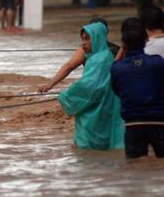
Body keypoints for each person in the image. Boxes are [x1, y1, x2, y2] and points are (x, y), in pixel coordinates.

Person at [56, 22, 124, 150]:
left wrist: (66, 95)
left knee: (87, 150)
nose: (83, 43)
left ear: (98, 38)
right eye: (82, 39)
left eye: (87, 39)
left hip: (95, 115)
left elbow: (90, 87)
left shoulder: (100, 59)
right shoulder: (99, 57)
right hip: (100, 109)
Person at [111, 17, 164, 159]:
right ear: (146, 39)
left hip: (133, 124)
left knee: (135, 168)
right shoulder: (158, 63)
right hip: (159, 122)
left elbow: (117, 90)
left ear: (124, 42)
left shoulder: (117, 69)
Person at [39, 17, 119, 93]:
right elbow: (69, 66)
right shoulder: (117, 50)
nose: (84, 43)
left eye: (88, 38)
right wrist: (50, 85)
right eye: (84, 39)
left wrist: (50, 85)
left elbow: (69, 66)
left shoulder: (115, 51)